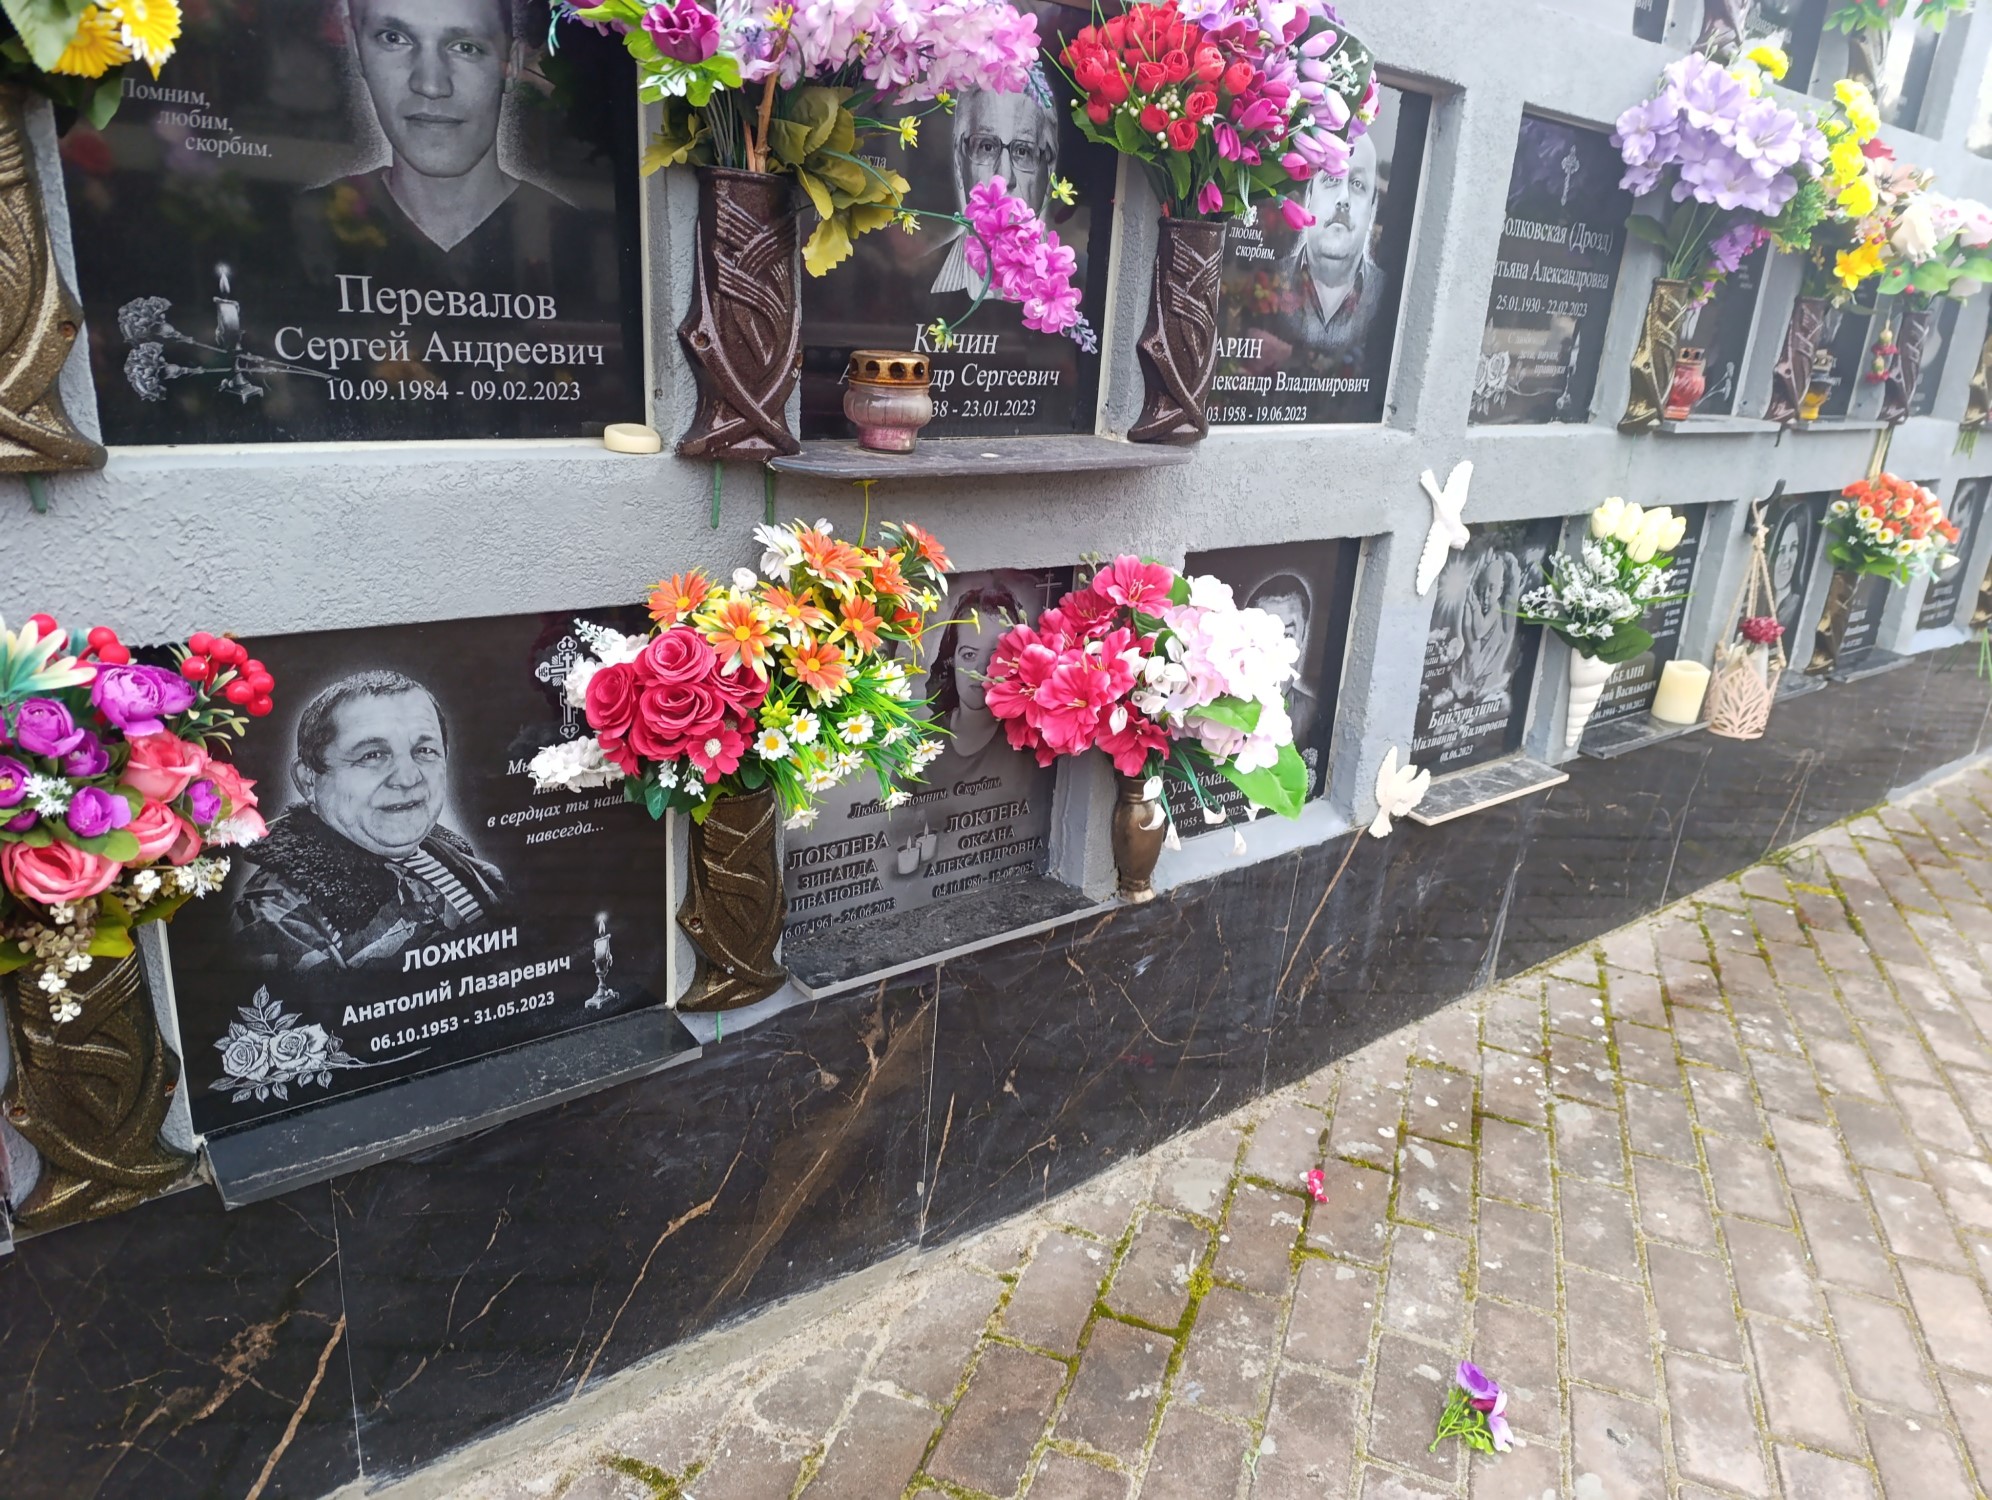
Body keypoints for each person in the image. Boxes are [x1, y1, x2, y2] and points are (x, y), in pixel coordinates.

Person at [234, 669, 508, 970]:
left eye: (425, 750)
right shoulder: (274, 915)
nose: (408, 778)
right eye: (373, 755)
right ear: (308, 780)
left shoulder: (472, 868)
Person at [323, 0, 566, 253]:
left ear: (512, 64)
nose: (431, 86)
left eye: (466, 47)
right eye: (393, 38)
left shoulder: (574, 239)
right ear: (356, 49)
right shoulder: (308, 227)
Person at [930, 82, 1061, 296]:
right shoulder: (915, 281)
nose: (1005, 178)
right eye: (987, 147)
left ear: (1050, 167)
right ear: (959, 162)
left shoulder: (1073, 289)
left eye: (1023, 151)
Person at [1288, 129, 1386, 364]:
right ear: (1308, 197)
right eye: (1331, 179)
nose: (1344, 199)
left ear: (1372, 208)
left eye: (1358, 184)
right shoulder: (1271, 278)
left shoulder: (1386, 293)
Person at [1245, 573, 1319, 752]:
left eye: (1287, 635)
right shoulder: (1218, 709)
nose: (1275, 650)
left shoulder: (1313, 716)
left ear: (1303, 639)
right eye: (1265, 635)